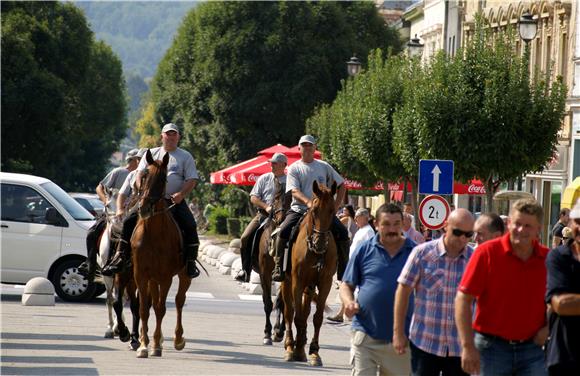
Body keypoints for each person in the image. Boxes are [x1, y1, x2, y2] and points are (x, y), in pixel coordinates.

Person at [455, 199, 549, 376]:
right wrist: (467, 346)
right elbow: (463, 299)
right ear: (508, 223)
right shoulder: (487, 253)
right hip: (491, 349)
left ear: (538, 229)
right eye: (517, 224)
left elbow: (556, 299)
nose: (521, 230)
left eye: (528, 226)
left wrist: (548, 327)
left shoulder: (547, 259)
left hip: (532, 348)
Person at [102, 123, 201, 278]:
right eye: (168, 134)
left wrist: (181, 194)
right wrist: (143, 190)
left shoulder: (185, 156)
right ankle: (120, 257)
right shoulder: (151, 153)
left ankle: (190, 262)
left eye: (174, 134)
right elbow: (139, 174)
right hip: (148, 200)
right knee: (128, 221)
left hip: (173, 201)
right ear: (162, 136)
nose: (171, 137)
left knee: (190, 225)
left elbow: (192, 180)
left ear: (178, 137)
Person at [393, 208, 475, 376]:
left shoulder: (474, 260)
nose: (462, 238)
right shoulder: (422, 253)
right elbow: (403, 291)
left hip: (459, 346)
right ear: (445, 226)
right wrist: (398, 332)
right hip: (425, 342)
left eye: (468, 235)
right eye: (458, 232)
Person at [340, 204, 415, 375]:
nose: (392, 229)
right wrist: (349, 302)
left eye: (397, 224)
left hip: (402, 340)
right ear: (376, 225)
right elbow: (346, 284)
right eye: (386, 224)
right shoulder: (364, 250)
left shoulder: (414, 252)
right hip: (366, 335)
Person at [271, 134, 349, 282]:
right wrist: (308, 203)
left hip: (323, 212)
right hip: (299, 209)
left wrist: (335, 206)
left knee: (343, 233)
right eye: (304, 145)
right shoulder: (294, 168)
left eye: (310, 145)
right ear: (299, 148)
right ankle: (278, 266)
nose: (307, 148)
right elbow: (294, 190)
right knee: (283, 230)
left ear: (315, 148)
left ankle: (344, 270)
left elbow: (341, 184)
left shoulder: (324, 166)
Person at [78, 148, 141, 280]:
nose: (142, 162)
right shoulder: (118, 172)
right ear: (134, 160)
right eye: (139, 159)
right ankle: (90, 264)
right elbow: (99, 187)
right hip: (112, 213)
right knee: (91, 233)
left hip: (132, 212)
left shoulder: (141, 175)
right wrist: (106, 200)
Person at [234, 152, 287, 283]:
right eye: (271, 163)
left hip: (284, 217)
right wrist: (266, 206)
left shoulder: (290, 180)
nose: (272, 165)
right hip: (263, 215)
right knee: (245, 237)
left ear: (284, 165)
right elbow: (253, 197)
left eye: (275, 163)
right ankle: (245, 270)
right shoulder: (264, 178)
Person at [545, 201, 580, 375]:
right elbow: (561, 304)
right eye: (578, 221)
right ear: (570, 223)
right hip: (564, 357)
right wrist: (566, 303)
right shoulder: (559, 257)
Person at [327, 207, 375, 323]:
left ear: (364, 218)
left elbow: (370, 248)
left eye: (357, 218)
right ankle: (341, 313)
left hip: (361, 265)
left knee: (351, 288)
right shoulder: (361, 229)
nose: (355, 220)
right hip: (353, 263)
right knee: (348, 287)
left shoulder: (368, 231)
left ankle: (352, 314)